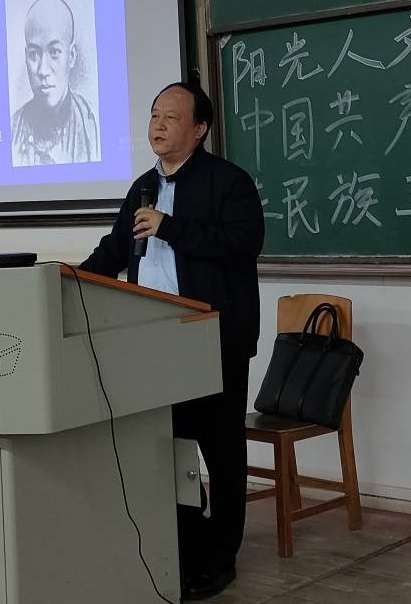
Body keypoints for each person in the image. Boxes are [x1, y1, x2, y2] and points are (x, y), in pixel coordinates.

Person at [80, 81, 263, 600]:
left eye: (171, 117)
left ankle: (220, 558)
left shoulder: (228, 182)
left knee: (221, 453)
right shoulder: (143, 186)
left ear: (199, 129)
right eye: (154, 114)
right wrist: (68, 278)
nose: (158, 125)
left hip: (213, 340)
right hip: (153, 344)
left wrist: (171, 227)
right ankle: (183, 547)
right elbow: (114, 251)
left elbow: (243, 245)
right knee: (169, 452)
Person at [10, 0, 99, 166]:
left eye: (54, 52)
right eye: (34, 54)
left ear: (71, 56)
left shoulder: (92, 124)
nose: (43, 70)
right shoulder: (12, 129)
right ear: (26, 56)